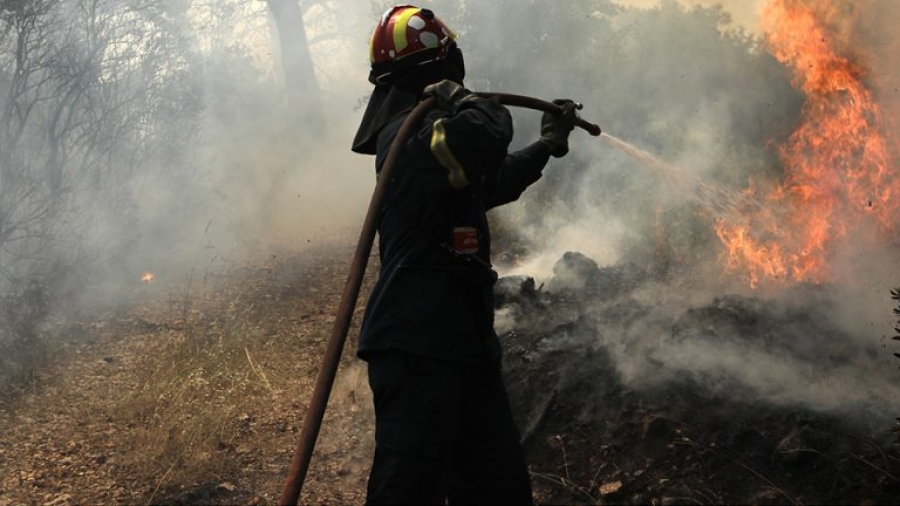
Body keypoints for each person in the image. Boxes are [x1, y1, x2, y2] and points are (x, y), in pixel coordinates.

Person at [351, 5, 577, 504]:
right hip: (417, 348)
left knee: (499, 487)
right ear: (442, 64)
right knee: (407, 492)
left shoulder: (433, 141)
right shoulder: (407, 137)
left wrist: (545, 145)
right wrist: (467, 99)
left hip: (464, 344)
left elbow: (490, 182)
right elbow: (485, 133)